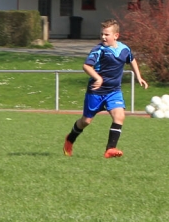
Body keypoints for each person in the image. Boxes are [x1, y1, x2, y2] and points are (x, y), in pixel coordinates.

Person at [63, 19, 148, 158]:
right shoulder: (99, 50)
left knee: (119, 116)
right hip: (96, 92)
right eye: (102, 34)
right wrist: (98, 78)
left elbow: (132, 59)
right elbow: (86, 66)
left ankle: (110, 149)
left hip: (114, 92)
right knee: (86, 121)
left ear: (116, 36)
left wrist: (138, 76)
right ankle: (70, 138)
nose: (103, 37)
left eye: (106, 34)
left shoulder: (124, 49)